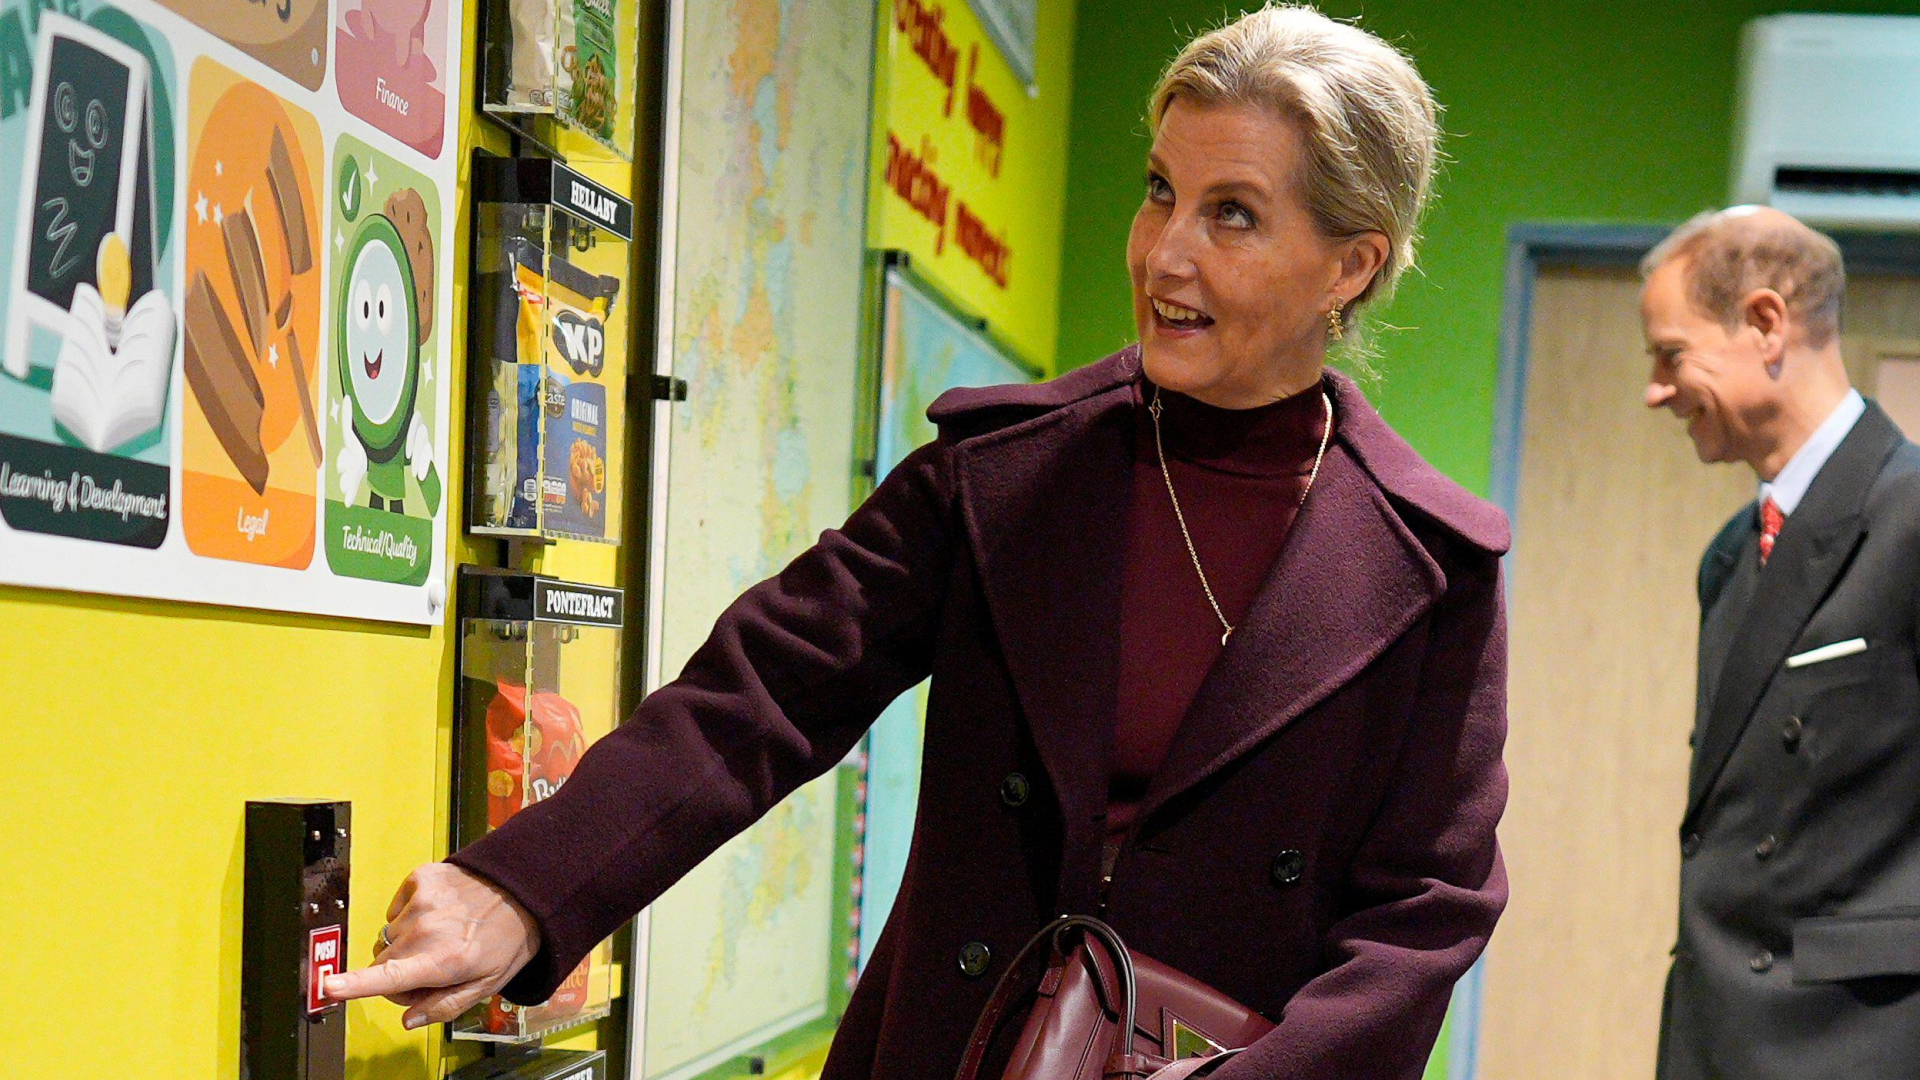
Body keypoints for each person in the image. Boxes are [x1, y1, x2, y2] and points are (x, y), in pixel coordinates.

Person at [329, 7, 1512, 1077]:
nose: (1165, 255)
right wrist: (523, 889)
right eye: (1159, 190)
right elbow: (764, 689)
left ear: (1349, 265)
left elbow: (1424, 916)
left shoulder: (1430, 568)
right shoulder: (1007, 472)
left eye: (1232, 214)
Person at [1641, 206, 1920, 1079]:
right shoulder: (1729, 556)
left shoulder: (1913, 519)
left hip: (1859, 1042)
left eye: (1671, 354)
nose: (1655, 388)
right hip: (1716, 1035)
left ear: (1765, 324)